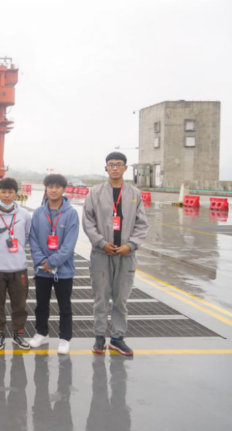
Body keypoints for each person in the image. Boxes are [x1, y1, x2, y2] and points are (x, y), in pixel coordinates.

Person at [83, 152, 148, 356]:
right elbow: (88, 222)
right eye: (111, 164)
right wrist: (101, 243)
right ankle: (99, 337)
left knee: (121, 299)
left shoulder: (135, 194)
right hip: (101, 254)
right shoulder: (95, 193)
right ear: (106, 168)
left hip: (126, 255)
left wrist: (132, 244)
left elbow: (142, 224)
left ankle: (118, 338)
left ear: (125, 168)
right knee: (100, 297)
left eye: (119, 165)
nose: (115, 168)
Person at [28, 174, 80, 354]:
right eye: (50, 187)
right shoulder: (38, 212)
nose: (54, 190)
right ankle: (41, 333)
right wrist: (42, 261)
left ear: (64, 189)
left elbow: (69, 245)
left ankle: (65, 338)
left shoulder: (71, 213)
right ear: (46, 189)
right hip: (42, 269)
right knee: (41, 304)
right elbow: (33, 239)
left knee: (64, 305)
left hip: (63, 270)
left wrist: (52, 262)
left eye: (58, 187)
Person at [0, 177, 32, 350]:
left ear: (16, 194)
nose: (6, 195)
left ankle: (18, 334)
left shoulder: (24, 214)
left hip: (19, 267)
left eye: (10, 192)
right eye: (3, 192)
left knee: (20, 305)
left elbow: (26, 237)